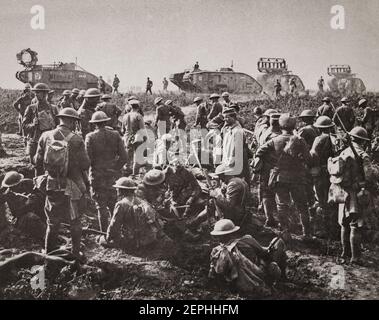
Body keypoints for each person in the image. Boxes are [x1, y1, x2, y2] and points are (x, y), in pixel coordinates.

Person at [34, 108, 90, 262]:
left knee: (52, 221)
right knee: (75, 220)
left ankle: (49, 252)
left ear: (60, 119)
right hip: (73, 186)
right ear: (72, 121)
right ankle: (76, 252)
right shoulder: (77, 139)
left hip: (52, 184)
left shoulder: (45, 136)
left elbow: (37, 161)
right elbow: (85, 164)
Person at [255, 114, 312, 239]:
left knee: (282, 205)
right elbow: (309, 159)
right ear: (294, 125)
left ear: (280, 125)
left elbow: (259, 152)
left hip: (280, 178)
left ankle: (285, 232)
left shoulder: (274, 140)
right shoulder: (300, 140)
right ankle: (307, 234)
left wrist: (270, 162)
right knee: (302, 206)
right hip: (298, 178)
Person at [335, 127, 379, 264]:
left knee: (344, 223)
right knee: (356, 224)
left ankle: (345, 252)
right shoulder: (362, 154)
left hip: (343, 191)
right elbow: (369, 175)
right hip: (357, 192)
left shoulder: (344, 151)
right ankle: (356, 257)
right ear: (362, 140)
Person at [208, 219, 287, 293]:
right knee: (277, 247)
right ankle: (279, 280)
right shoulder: (247, 239)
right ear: (233, 232)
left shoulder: (216, 251)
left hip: (235, 284)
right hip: (259, 275)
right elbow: (264, 253)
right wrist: (271, 247)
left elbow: (214, 273)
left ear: (218, 236)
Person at [85, 111, 127, 233]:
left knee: (101, 207)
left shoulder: (90, 137)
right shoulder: (115, 135)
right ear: (105, 122)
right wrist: (115, 169)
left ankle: (104, 233)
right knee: (115, 204)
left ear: (94, 124)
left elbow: (88, 160)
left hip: (97, 176)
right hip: (113, 176)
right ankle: (116, 232)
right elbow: (124, 157)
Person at [106, 177, 172, 251]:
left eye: (118, 189)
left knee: (101, 239)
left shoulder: (121, 204)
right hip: (149, 240)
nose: (116, 190)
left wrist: (108, 236)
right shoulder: (143, 201)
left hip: (133, 242)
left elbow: (114, 224)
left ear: (122, 190)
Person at [309, 116, 337, 238]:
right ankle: (332, 227)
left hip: (320, 172)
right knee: (329, 198)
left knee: (320, 199)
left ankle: (321, 229)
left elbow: (313, 154)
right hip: (330, 171)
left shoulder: (319, 139)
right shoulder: (335, 138)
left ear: (319, 128)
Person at [253, 113, 281, 227]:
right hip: (274, 167)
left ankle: (269, 217)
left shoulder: (265, 132)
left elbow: (259, 149)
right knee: (278, 193)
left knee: (265, 193)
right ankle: (279, 219)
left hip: (265, 167)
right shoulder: (275, 136)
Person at [0, 171, 46, 240]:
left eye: (16, 185)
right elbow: (17, 213)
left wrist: (35, 197)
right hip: (23, 217)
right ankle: (45, 234)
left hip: (37, 210)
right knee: (31, 217)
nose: (13, 188)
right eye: (11, 187)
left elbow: (42, 196)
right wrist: (27, 204)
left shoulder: (29, 183)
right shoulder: (9, 195)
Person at [22, 83, 57, 165]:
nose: (36, 94)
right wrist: (33, 125)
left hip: (49, 142)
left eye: (38, 92)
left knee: (50, 166)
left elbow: (59, 126)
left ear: (45, 94)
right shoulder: (31, 108)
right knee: (36, 166)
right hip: (35, 141)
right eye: (35, 92)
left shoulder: (53, 108)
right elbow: (24, 126)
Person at [122, 100, 146, 175]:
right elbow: (142, 129)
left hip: (127, 137)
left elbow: (123, 129)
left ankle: (126, 172)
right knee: (137, 156)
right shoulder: (138, 116)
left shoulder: (125, 116)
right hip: (137, 137)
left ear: (131, 107)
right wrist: (145, 138)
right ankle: (134, 174)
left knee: (128, 155)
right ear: (138, 107)